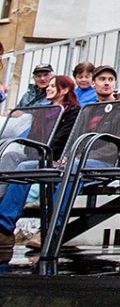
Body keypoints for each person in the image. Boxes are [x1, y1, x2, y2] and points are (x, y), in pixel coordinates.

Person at [0, 75, 82, 263]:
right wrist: (35, 151)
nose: (48, 88)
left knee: (25, 167)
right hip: (38, 155)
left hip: (56, 157)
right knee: (11, 156)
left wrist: (43, 154)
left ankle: (5, 226)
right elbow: (31, 138)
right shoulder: (42, 112)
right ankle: (1, 215)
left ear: (64, 90)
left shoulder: (73, 112)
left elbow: (63, 140)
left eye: (53, 86)